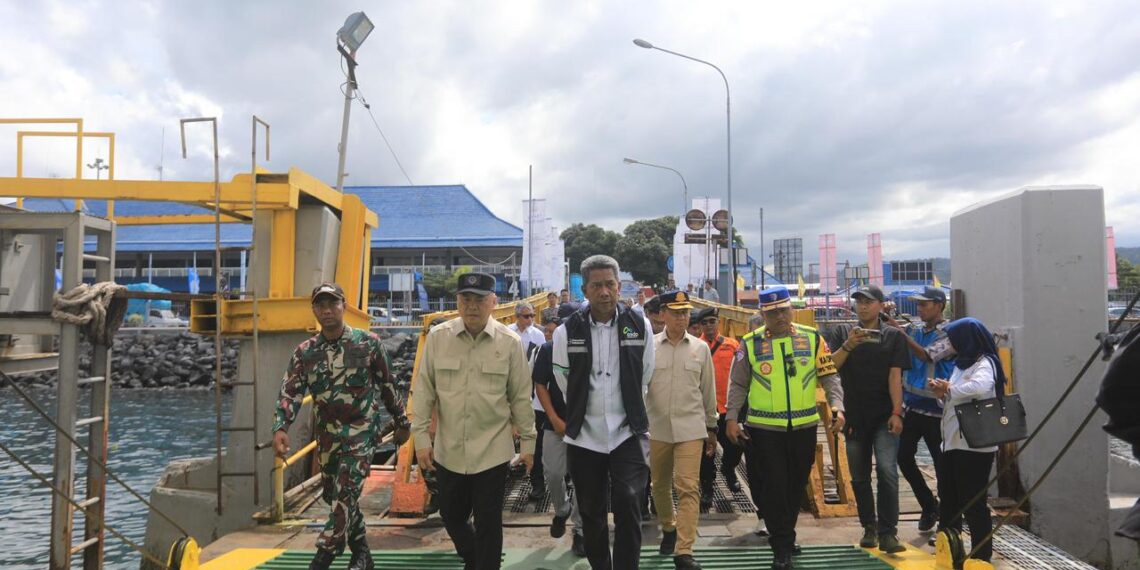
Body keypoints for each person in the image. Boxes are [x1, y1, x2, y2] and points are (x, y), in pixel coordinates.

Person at [272, 283, 410, 570]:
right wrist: (281, 427)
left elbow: (388, 385)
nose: (327, 310)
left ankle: (324, 554)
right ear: (314, 310)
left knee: (346, 491)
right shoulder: (305, 353)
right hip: (327, 435)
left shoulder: (368, 343)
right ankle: (362, 554)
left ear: (344, 306)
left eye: (332, 304)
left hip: (361, 431)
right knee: (334, 495)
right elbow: (290, 392)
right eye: (320, 305)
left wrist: (401, 421)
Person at [411, 273, 537, 570]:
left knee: (488, 522)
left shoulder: (509, 342)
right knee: (451, 516)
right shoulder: (439, 339)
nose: (472, 306)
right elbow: (424, 391)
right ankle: (473, 558)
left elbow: (521, 396)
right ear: (457, 301)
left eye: (479, 300)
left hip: (492, 449)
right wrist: (420, 440)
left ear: (494, 302)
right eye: (466, 299)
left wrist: (529, 444)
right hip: (449, 448)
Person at [725, 286, 845, 570]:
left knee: (794, 486)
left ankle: (785, 537)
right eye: (772, 312)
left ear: (791, 309)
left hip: (804, 427)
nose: (780, 316)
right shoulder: (750, 343)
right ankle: (781, 546)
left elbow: (829, 377)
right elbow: (738, 384)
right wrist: (731, 418)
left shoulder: (813, 338)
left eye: (784, 310)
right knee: (774, 487)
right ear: (763, 314)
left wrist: (837, 406)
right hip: (765, 430)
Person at [552, 255, 655, 570]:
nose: (605, 292)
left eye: (610, 284)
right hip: (585, 436)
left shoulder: (639, 324)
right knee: (592, 513)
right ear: (585, 289)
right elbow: (563, 378)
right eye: (597, 286)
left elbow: (646, 372)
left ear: (619, 285)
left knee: (629, 503)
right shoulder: (566, 332)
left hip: (627, 432)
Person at [831, 284, 910, 553]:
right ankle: (869, 527)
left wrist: (897, 412)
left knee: (887, 471)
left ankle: (889, 533)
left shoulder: (893, 337)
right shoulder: (843, 332)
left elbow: (895, 376)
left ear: (881, 305)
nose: (863, 306)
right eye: (859, 301)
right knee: (859, 476)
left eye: (868, 301)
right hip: (854, 415)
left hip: (884, 415)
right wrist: (848, 345)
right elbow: (830, 367)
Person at [646, 291, 718, 569]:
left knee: (688, 487)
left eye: (686, 313)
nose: (682, 318)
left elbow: (708, 391)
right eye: (676, 313)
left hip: (691, 429)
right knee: (659, 485)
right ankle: (668, 526)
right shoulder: (649, 347)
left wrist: (712, 428)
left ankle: (684, 550)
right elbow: (641, 389)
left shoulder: (700, 349)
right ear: (663, 314)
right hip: (657, 428)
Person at [928, 318, 1004, 563]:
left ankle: (981, 555)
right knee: (948, 497)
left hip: (973, 446)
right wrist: (942, 392)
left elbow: (981, 388)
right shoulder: (961, 365)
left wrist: (948, 388)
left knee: (972, 501)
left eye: (953, 338)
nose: (950, 344)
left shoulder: (985, 363)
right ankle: (950, 547)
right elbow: (953, 397)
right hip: (952, 442)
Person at [893, 286, 954, 532]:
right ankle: (929, 505)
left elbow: (927, 357)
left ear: (939, 305)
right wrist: (890, 317)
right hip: (913, 407)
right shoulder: (916, 330)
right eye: (918, 305)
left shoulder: (949, 336)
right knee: (903, 458)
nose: (919, 309)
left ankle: (947, 524)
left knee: (942, 468)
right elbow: (898, 334)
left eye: (924, 305)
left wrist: (900, 334)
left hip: (937, 412)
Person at [533, 302, 587, 557]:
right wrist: (554, 419)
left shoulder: (590, 347)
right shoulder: (548, 349)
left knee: (584, 480)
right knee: (553, 473)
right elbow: (540, 385)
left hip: (587, 428)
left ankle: (579, 531)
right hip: (554, 425)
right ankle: (561, 509)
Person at [696, 307, 744, 511]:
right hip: (704, 411)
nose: (709, 325)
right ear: (700, 325)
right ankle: (707, 488)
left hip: (727, 409)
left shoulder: (733, 346)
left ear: (719, 322)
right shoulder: (694, 347)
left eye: (712, 321)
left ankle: (728, 468)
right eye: (705, 322)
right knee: (705, 454)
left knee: (736, 446)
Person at [509, 302, 549, 500]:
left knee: (536, 441)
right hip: (511, 389)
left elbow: (540, 370)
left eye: (532, 315)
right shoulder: (508, 333)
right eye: (526, 316)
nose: (530, 319)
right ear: (517, 316)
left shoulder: (538, 336)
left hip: (532, 394)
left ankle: (538, 483)